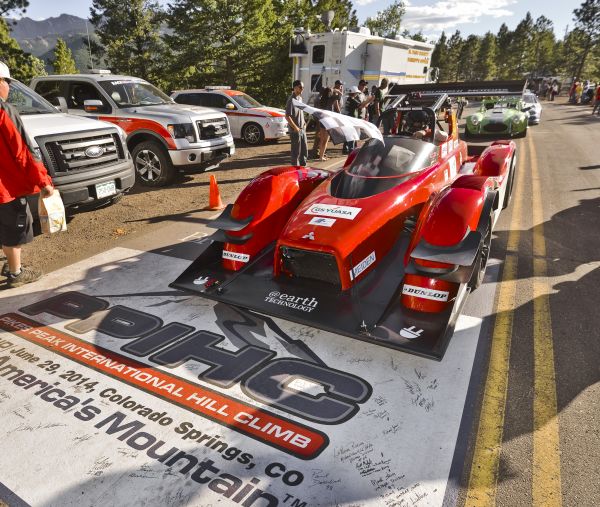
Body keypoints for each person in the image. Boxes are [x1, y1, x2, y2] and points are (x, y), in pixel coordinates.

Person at [0, 61, 54, 288]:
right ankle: (15, 273)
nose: (9, 87)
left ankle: (11, 263)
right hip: (6, 188)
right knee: (15, 226)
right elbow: (23, 152)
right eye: (7, 82)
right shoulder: (4, 111)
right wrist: (44, 182)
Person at [285, 80, 307, 166]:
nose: (302, 89)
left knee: (304, 151)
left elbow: (300, 112)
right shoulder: (291, 100)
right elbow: (287, 116)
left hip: (302, 129)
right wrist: (295, 127)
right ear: (295, 88)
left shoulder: (300, 98)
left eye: (303, 87)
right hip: (295, 131)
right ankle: (295, 170)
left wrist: (304, 122)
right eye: (301, 87)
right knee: (296, 152)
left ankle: (303, 169)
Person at [342, 86, 361, 154]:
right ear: (354, 93)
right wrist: (369, 100)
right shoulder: (352, 100)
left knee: (348, 134)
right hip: (351, 119)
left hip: (348, 118)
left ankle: (346, 149)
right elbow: (360, 106)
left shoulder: (348, 99)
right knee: (352, 135)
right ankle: (351, 150)